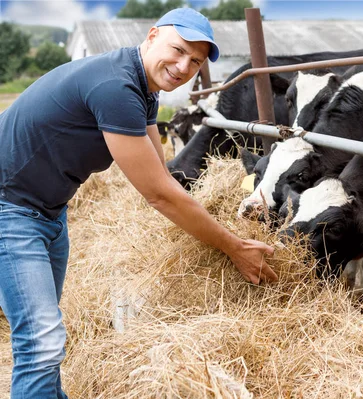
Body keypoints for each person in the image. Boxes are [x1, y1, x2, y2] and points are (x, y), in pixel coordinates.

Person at [0, 8, 278, 398]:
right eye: (178, 50)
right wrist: (234, 246)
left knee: (44, 338)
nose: (183, 66)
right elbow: (158, 194)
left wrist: (211, 208)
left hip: (48, 211)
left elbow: (162, 175)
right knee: (41, 341)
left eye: (195, 61)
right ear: (151, 36)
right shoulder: (116, 88)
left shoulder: (144, 90)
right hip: (10, 211)